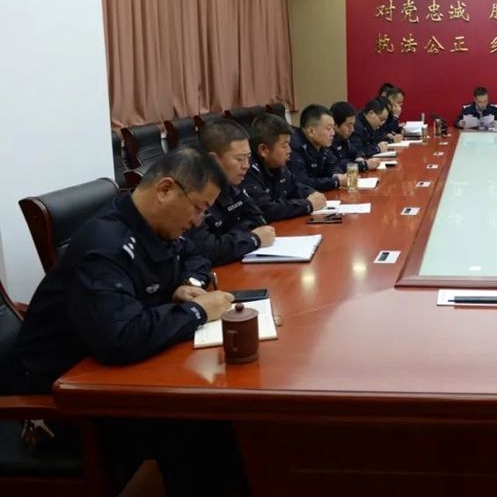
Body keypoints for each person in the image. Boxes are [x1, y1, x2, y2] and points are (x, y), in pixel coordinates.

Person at [5, 148, 245, 496]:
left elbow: (194, 256)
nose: (197, 221)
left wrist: (184, 286)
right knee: (202, 424)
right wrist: (196, 312)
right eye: (197, 208)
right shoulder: (106, 245)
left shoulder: (153, 226)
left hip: (104, 379)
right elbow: (120, 337)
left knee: (219, 414)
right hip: (61, 406)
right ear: (165, 189)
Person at [186, 119, 276, 265]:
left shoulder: (233, 182)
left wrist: (230, 239)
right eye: (240, 159)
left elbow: (259, 220)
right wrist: (252, 238)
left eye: (248, 157)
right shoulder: (195, 194)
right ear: (214, 160)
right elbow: (207, 250)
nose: (246, 166)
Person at [243, 113, 327, 222]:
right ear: (263, 149)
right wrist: (308, 204)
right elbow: (266, 209)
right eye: (284, 145)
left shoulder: (277, 164)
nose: (289, 150)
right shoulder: (247, 169)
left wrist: (311, 193)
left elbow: (294, 187)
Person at [288, 104, 349, 192]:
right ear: (311, 131)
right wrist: (336, 181)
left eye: (333, 128)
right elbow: (302, 183)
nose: (333, 133)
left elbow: (333, 164)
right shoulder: (294, 147)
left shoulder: (321, 144)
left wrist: (336, 175)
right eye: (328, 129)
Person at [330, 101, 380, 171]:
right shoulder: (329, 141)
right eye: (348, 125)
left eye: (353, 125)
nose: (352, 130)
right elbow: (338, 165)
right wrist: (363, 165)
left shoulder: (344, 139)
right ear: (335, 125)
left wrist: (359, 157)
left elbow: (356, 151)